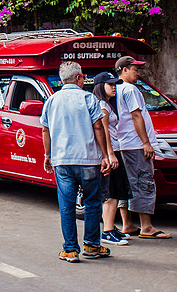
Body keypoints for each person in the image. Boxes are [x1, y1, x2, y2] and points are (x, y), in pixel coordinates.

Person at [41, 61, 115, 262]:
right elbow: (98, 127)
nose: (83, 79)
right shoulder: (87, 98)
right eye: (82, 76)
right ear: (77, 78)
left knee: (66, 206)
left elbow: (45, 130)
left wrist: (48, 155)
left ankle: (70, 250)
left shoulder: (52, 100)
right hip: (88, 160)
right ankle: (91, 246)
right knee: (92, 203)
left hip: (62, 161)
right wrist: (105, 155)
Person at [114, 56, 172, 239]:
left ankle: (127, 224)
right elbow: (136, 116)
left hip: (122, 144)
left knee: (126, 184)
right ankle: (146, 226)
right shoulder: (130, 89)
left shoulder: (115, 88)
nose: (137, 73)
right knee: (144, 182)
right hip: (135, 144)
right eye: (134, 69)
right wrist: (146, 143)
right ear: (124, 70)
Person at [92, 72, 132, 245]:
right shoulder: (102, 106)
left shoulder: (106, 104)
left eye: (115, 84)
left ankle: (109, 227)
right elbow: (104, 131)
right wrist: (110, 154)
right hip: (111, 152)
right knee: (111, 193)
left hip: (113, 150)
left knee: (114, 191)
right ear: (101, 87)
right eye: (110, 85)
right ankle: (107, 231)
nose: (114, 87)